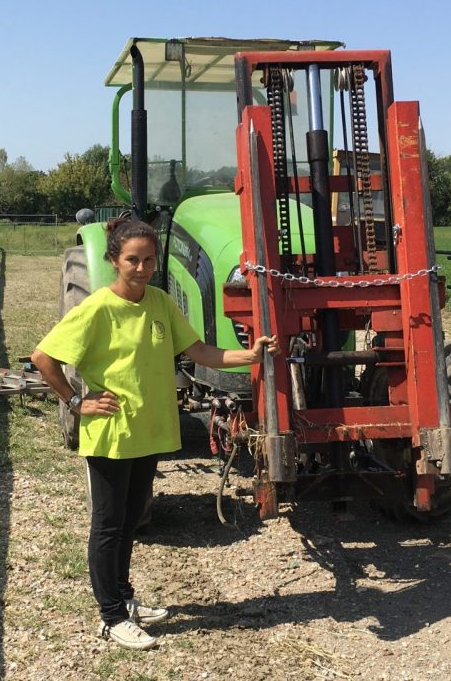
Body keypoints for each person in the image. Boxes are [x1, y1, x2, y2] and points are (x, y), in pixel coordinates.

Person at [31, 216, 277, 651]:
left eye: (148, 260)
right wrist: (76, 401)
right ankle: (110, 617)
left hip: (148, 432)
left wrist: (250, 355)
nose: (141, 268)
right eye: (132, 260)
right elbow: (43, 357)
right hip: (111, 434)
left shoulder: (160, 302)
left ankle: (124, 598)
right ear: (113, 261)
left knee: (129, 521)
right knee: (108, 526)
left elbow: (199, 351)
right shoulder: (97, 308)